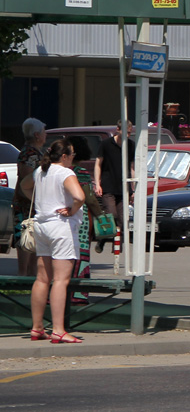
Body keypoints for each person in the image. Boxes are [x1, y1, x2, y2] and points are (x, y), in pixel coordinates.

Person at [29, 138, 86, 343]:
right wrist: (72, 209)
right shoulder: (65, 172)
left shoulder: (40, 171)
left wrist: (41, 203)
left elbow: (25, 187)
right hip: (60, 226)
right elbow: (80, 196)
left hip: (42, 224)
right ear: (64, 156)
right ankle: (59, 329)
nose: (72, 159)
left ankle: (37, 327)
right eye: (71, 155)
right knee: (61, 280)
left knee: (42, 278)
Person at [67, 136, 99, 304]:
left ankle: (57, 294)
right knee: (81, 256)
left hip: (61, 220)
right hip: (81, 221)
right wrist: (100, 216)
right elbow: (90, 199)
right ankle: (78, 293)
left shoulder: (57, 171)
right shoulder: (81, 173)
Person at [15, 118, 48, 276]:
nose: (45, 134)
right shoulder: (29, 153)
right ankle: (23, 281)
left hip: (35, 204)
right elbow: (26, 180)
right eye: (43, 131)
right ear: (36, 135)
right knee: (26, 240)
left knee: (35, 244)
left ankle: (31, 281)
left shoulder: (37, 152)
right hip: (28, 205)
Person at [95, 119, 133, 252]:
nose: (128, 136)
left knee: (123, 219)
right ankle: (102, 239)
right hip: (108, 185)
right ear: (118, 129)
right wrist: (97, 183)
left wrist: (132, 187)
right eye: (126, 132)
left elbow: (132, 167)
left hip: (123, 187)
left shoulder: (131, 145)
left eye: (130, 133)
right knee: (112, 215)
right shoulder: (106, 144)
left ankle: (117, 248)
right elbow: (98, 163)